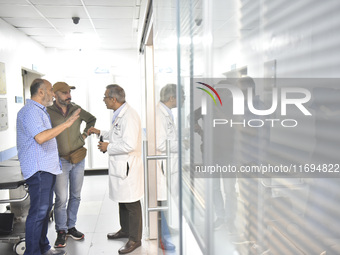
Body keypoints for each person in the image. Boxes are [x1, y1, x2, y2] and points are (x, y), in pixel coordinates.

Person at [16, 78, 81, 255]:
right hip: (39, 170)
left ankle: (43, 248)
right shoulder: (30, 112)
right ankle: (33, 252)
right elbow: (41, 137)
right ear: (41, 92)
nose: (53, 93)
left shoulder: (40, 111)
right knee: (38, 213)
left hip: (47, 168)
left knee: (44, 212)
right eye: (51, 90)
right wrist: (66, 124)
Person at [87, 84, 143, 254]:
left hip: (128, 166)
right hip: (121, 167)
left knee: (131, 203)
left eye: (105, 97)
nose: (103, 100)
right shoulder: (119, 115)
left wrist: (107, 147)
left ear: (113, 99)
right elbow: (117, 134)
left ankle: (135, 239)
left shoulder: (129, 116)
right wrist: (100, 133)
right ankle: (125, 230)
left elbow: (129, 144)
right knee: (122, 199)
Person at [46, 82, 96, 248]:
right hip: (60, 160)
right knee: (61, 198)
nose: (69, 95)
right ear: (55, 94)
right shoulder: (48, 112)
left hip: (78, 158)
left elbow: (91, 119)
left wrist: (84, 135)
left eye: (69, 92)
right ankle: (61, 230)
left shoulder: (77, 109)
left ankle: (71, 226)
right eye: (65, 93)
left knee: (76, 195)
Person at [155, 84, 183, 251]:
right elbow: (161, 143)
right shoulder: (160, 115)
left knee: (170, 199)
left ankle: (168, 231)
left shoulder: (166, 113)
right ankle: (164, 237)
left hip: (172, 163)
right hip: (167, 164)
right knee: (166, 199)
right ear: (172, 98)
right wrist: (181, 143)